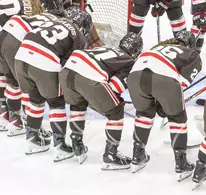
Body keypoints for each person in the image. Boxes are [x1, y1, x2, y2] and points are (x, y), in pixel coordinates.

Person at [14, 7, 93, 160]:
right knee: (57, 102)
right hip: (43, 59)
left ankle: (32, 139)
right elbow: (74, 66)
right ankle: (60, 145)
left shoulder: (54, 21)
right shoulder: (78, 36)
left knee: (35, 99)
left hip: (21, 57)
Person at [126, 30, 202, 180]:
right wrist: (166, 106)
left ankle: (138, 156)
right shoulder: (192, 54)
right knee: (177, 117)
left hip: (134, 76)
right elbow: (182, 83)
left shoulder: (156, 48)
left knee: (144, 114)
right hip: (163, 77)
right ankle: (181, 164)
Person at [59, 33, 143, 167]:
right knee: (116, 110)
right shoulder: (130, 61)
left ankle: (77, 143)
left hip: (66, 71)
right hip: (89, 77)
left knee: (78, 105)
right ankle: (111, 154)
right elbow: (114, 88)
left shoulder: (107, 48)